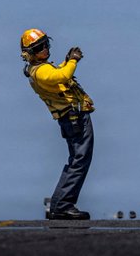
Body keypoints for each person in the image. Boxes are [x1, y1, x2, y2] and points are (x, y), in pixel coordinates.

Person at [20, 28, 93, 220]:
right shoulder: (41, 71)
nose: (45, 48)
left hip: (71, 117)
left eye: (46, 44)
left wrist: (66, 61)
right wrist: (73, 61)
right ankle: (63, 205)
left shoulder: (39, 68)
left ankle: (60, 204)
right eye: (40, 47)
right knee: (79, 159)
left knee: (77, 159)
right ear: (30, 53)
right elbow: (61, 77)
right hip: (74, 117)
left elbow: (56, 72)